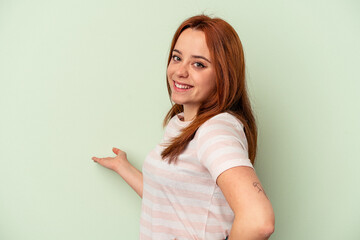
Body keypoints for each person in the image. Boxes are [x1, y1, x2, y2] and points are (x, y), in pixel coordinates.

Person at [92, 14, 275, 240]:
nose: (180, 71)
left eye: (199, 64)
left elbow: (259, 221)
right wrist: (124, 168)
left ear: (223, 75)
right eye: (177, 58)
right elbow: (169, 202)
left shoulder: (214, 130)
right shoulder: (181, 123)